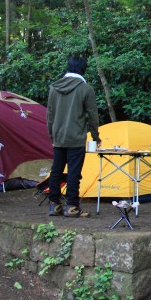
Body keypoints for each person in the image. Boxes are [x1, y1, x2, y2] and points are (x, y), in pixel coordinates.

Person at [46, 57, 100, 217]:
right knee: (73, 173)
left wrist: (52, 135)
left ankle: (54, 205)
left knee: (56, 171)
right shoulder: (86, 89)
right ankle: (72, 206)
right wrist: (96, 137)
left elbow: (49, 115)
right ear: (83, 70)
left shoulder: (54, 88)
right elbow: (93, 115)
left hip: (58, 137)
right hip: (76, 138)